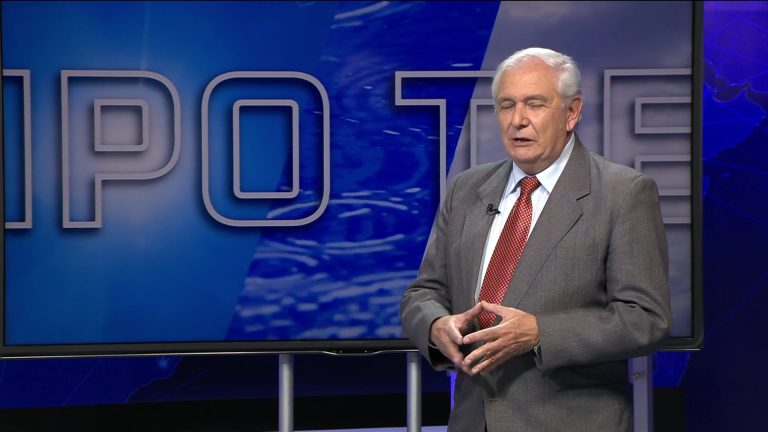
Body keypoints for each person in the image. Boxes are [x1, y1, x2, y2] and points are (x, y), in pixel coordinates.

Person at [400, 47, 671, 431]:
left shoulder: (622, 193)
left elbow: (646, 318)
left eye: (535, 104)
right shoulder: (466, 189)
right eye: (506, 105)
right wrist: (435, 325)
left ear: (572, 112)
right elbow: (423, 292)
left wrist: (541, 333)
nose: (518, 120)